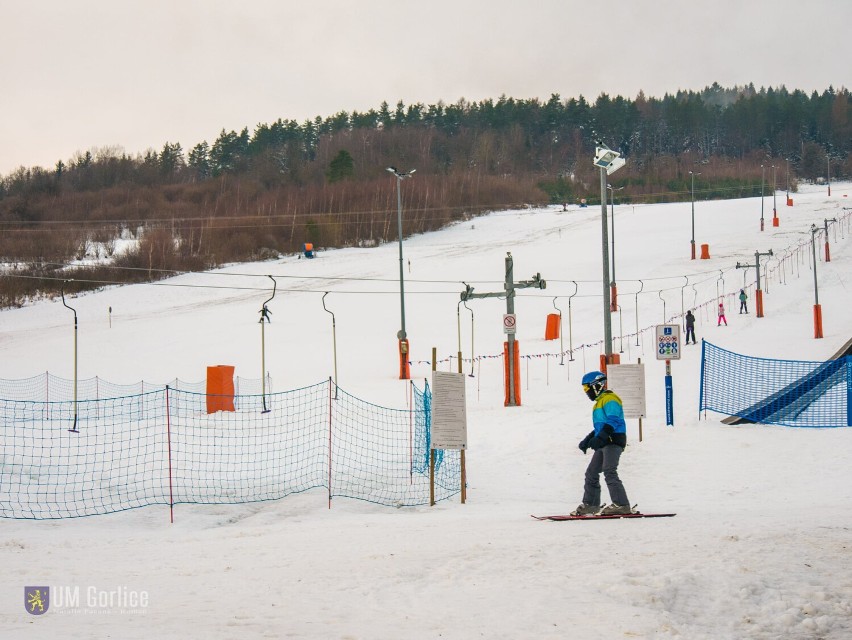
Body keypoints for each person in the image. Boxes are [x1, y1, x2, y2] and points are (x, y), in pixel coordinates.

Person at [571, 371, 632, 516]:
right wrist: (588, 440)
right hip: (604, 441)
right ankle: (591, 505)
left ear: (596, 385)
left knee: (609, 470)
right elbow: (599, 427)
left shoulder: (611, 399)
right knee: (591, 472)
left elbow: (613, 420)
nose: (586, 392)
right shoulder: (599, 403)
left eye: (587, 388)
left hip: (613, 440)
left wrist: (601, 437)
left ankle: (622, 504)